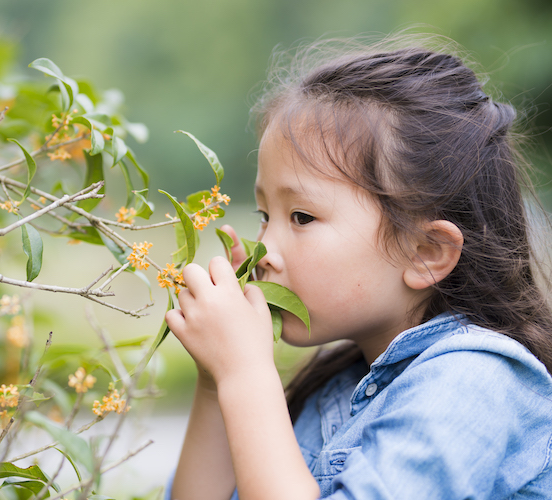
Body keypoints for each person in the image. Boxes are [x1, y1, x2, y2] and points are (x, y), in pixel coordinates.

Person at [163, 35, 552, 500]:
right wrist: (216, 381)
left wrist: (245, 376)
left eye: (302, 217)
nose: (263, 250)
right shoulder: (338, 386)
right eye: (265, 216)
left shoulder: (473, 382)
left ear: (425, 251)